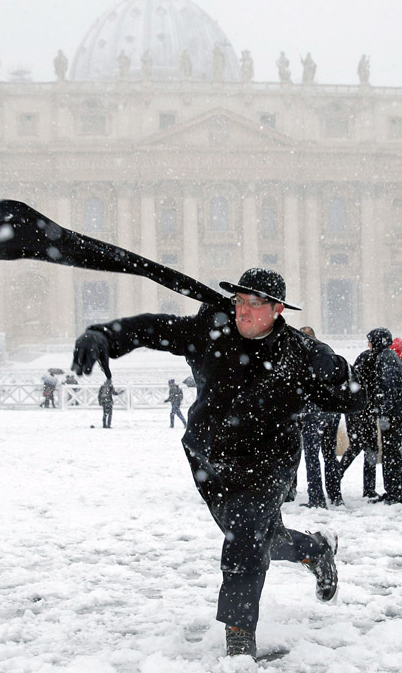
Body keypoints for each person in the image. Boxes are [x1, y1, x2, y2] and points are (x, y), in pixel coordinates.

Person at [70, 267, 365, 658]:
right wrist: (105, 335)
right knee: (263, 538)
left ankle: (239, 636)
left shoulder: (302, 352)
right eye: (240, 301)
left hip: (268, 462)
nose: (243, 310)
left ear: (277, 309)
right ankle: (315, 550)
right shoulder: (212, 331)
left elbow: (352, 398)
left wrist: (342, 375)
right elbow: (155, 328)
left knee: (244, 534)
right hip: (210, 459)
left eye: (254, 303)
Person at [297, 327, 343, 509]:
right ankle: (335, 494)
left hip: (313, 412)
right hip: (331, 410)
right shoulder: (327, 350)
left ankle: (316, 498)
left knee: (312, 456)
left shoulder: (305, 355)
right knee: (329, 454)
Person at [365, 328, 402, 505]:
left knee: (391, 455)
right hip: (394, 413)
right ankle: (392, 490)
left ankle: (395, 493)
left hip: (392, 415)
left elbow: (387, 387)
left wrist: (385, 413)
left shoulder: (386, 357)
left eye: (370, 341)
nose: (368, 344)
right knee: (390, 454)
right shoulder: (387, 356)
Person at [337, 347, 379, 500]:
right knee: (361, 447)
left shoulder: (364, 363)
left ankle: (367, 487)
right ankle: (338, 476)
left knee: (365, 447)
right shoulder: (371, 360)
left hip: (361, 411)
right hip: (361, 412)